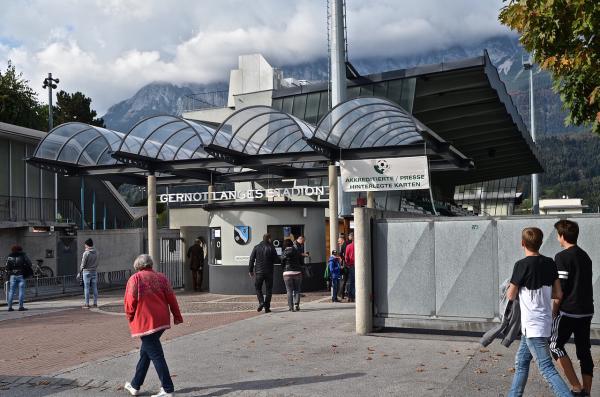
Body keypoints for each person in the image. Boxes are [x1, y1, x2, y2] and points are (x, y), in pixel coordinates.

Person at [506, 227, 571, 397]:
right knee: (521, 362)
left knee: (547, 369)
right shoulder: (550, 263)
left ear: (522, 243)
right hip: (542, 322)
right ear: (540, 243)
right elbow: (558, 293)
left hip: (532, 326)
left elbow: (511, 295)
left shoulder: (521, 265)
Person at [123, 254, 182, 397]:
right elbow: (171, 297)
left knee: (156, 354)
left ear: (138, 266)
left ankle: (168, 389)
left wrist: (130, 316)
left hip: (145, 322)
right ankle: (135, 385)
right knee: (146, 353)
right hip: (161, 320)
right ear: (150, 264)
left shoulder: (135, 279)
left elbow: (129, 303)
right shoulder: (161, 277)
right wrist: (177, 315)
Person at [550, 220, 594, 396]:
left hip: (568, 311)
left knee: (555, 345)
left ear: (562, 236)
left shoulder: (561, 257)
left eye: (557, 234)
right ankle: (587, 391)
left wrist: (554, 311)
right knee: (584, 351)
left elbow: (561, 288)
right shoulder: (585, 256)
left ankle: (576, 387)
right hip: (586, 310)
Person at [249, 233, 278, 313]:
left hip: (259, 272)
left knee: (258, 288)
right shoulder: (271, 247)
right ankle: (267, 308)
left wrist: (250, 270)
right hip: (269, 272)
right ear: (269, 239)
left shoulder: (256, 247)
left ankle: (261, 302)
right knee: (269, 290)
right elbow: (276, 260)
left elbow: (251, 259)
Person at [5, 245, 32, 312]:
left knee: (11, 291)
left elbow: (7, 266)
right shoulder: (23, 255)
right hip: (21, 275)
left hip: (12, 276)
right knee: (21, 291)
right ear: (20, 250)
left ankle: (10, 307)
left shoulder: (10, 256)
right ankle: (20, 307)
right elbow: (29, 263)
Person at [281, 239, 302, 311]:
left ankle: (291, 307)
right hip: (297, 272)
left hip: (287, 273)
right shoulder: (296, 251)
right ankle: (297, 304)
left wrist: (284, 269)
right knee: (297, 289)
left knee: (289, 290)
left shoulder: (284, 252)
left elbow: (282, 262)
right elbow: (301, 260)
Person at [79, 238, 98, 309]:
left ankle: (87, 304)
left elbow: (83, 264)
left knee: (86, 288)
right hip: (94, 271)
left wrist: (80, 270)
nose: (85, 247)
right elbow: (97, 262)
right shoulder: (96, 252)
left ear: (87, 245)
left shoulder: (86, 253)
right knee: (94, 288)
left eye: (85, 245)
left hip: (86, 272)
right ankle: (95, 303)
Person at [344, 233, 355, 302]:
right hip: (359, 265)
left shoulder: (348, 246)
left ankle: (350, 296)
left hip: (351, 265)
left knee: (352, 281)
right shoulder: (359, 245)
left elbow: (346, 257)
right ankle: (354, 295)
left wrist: (348, 264)